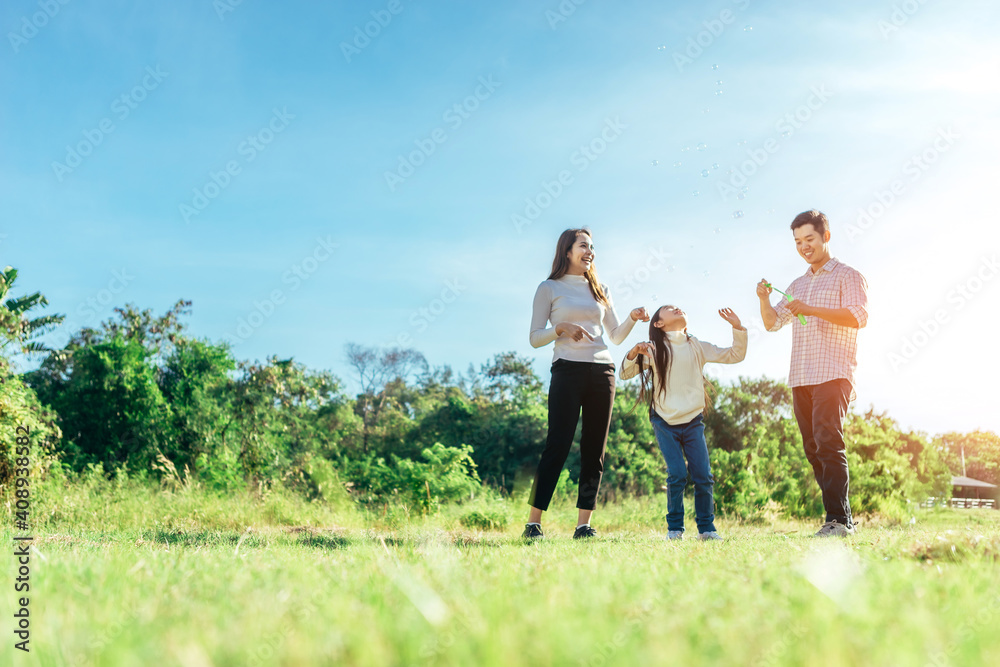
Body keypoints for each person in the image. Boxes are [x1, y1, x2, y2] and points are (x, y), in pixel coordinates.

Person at [523, 228, 649, 540]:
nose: (590, 251)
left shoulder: (600, 289)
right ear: (567, 251)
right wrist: (560, 328)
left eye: (592, 247)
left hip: (602, 371)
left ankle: (583, 525)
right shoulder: (548, 288)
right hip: (566, 369)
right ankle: (533, 523)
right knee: (558, 444)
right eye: (583, 246)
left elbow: (616, 336)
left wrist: (632, 317)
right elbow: (534, 337)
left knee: (595, 451)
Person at [757, 209, 869, 538]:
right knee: (812, 447)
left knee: (828, 441)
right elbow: (772, 322)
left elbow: (858, 316)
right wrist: (764, 299)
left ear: (826, 237)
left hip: (834, 372)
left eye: (809, 239)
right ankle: (842, 517)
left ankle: (836, 519)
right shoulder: (797, 284)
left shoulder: (848, 276)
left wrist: (811, 309)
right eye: (797, 242)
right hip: (801, 376)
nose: (804, 246)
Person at [620, 305, 747, 541]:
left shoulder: (696, 345)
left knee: (703, 475)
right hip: (664, 421)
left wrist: (737, 328)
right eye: (668, 309)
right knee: (677, 473)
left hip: (692, 421)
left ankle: (707, 529)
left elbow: (734, 355)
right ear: (658, 324)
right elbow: (625, 374)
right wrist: (634, 351)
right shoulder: (654, 349)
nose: (676, 307)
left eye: (677, 306)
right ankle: (675, 530)